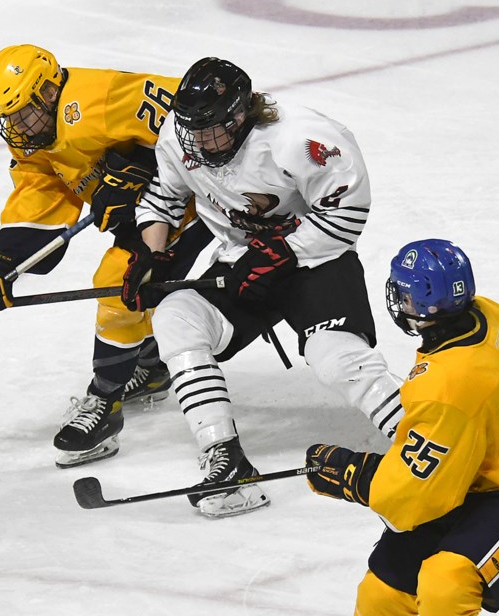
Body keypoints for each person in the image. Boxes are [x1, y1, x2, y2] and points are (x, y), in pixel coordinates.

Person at [123, 57, 404, 518]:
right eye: (194, 129)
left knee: (336, 359)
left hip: (315, 260)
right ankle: (227, 460)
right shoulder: (181, 133)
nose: (201, 141)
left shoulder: (303, 139)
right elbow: (165, 195)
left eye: (213, 128)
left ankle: (426, 444)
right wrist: (151, 253)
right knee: (175, 315)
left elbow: (347, 215)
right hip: (240, 260)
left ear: (241, 114)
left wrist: (283, 252)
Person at [0, 45, 213, 468]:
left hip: (190, 203)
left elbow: (202, 119)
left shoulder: (99, 99)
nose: (15, 128)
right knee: (133, 285)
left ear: (47, 92)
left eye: (21, 113)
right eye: (5, 118)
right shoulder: (35, 131)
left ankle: (105, 406)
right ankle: (151, 367)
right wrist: (4, 262)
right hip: (141, 216)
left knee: (120, 282)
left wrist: (146, 167)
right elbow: (39, 188)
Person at [305, 239, 499, 614]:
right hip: (472, 478)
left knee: (445, 582)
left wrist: (356, 475)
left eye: (404, 294)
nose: (399, 301)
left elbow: (413, 494)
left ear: (421, 303)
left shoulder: (447, 385)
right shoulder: (485, 314)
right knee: (383, 592)